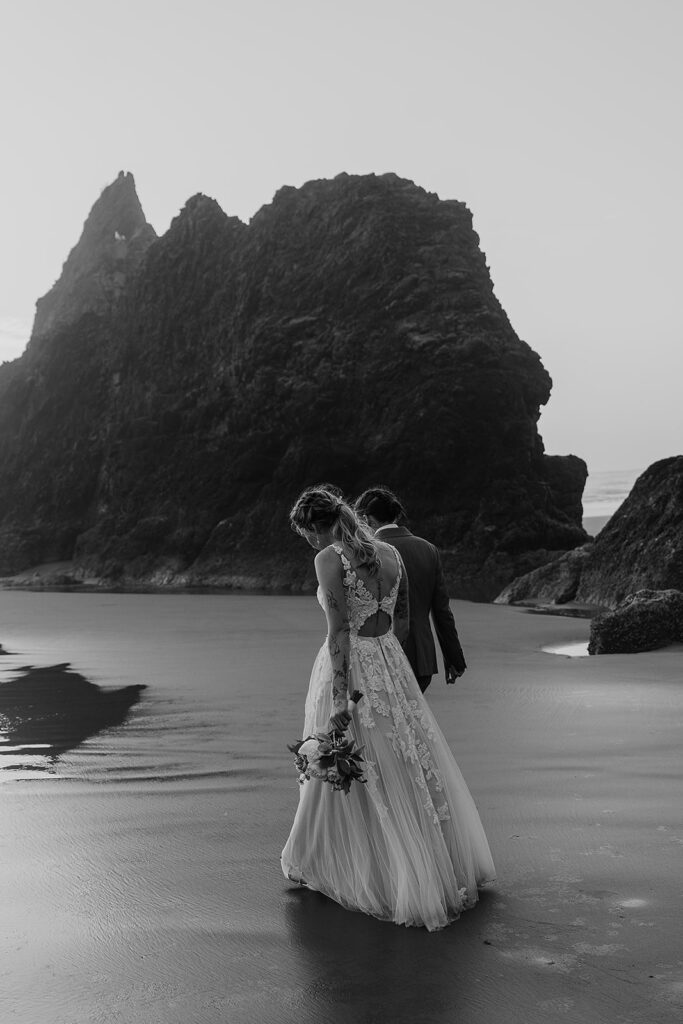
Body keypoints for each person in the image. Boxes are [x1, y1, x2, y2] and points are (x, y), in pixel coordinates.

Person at [281, 486, 495, 931]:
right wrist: (383, 667)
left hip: (351, 664)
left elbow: (339, 632)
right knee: (400, 758)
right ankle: (422, 861)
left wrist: (342, 696)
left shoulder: (328, 559)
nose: (309, 542)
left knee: (345, 756)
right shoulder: (391, 555)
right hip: (388, 660)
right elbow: (400, 620)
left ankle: (343, 865)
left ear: (317, 526)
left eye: (307, 533)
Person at [355, 486, 466, 693]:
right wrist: (454, 659)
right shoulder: (428, 549)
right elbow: (442, 611)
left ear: (368, 520)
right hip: (421, 659)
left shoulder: (366, 552)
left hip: (377, 658)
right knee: (410, 723)